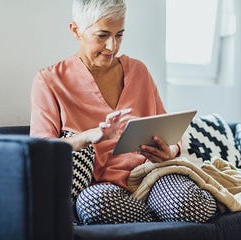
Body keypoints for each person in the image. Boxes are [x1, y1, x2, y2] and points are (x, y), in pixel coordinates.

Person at [30, 0, 217, 225]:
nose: (112, 46)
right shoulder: (50, 81)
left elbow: (171, 134)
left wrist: (171, 149)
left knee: (194, 206)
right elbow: (40, 150)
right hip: (105, 189)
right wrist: (92, 135)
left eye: (119, 35)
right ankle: (165, 219)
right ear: (76, 30)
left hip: (151, 174)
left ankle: (167, 213)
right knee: (92, 204)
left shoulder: (138, 71)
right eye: (102, 35)